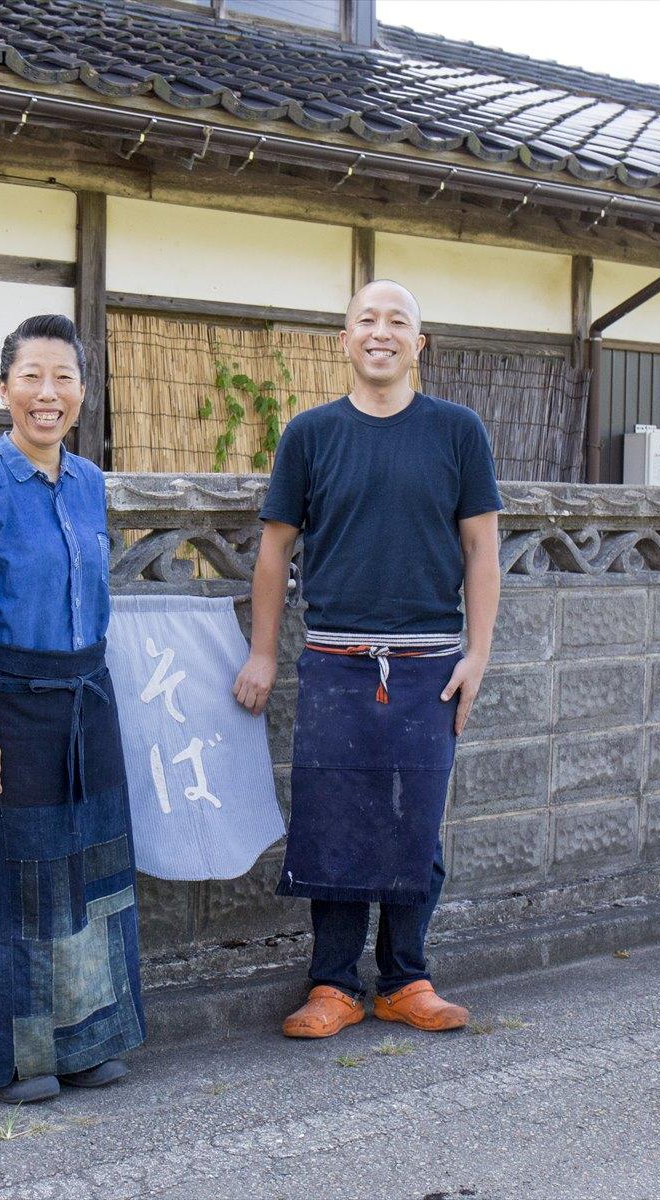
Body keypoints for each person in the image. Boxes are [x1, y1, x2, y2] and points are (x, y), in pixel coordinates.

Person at [233, 280, 503, 1039]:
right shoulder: (310, 434)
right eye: (366, 321)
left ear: (419, 345)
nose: (381, 333)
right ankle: (334, 984)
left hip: (430, 664)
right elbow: (274, 551)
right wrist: (262, 652)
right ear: (344, 341)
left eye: (398, 323)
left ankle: (406, 978)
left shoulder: (457, 431)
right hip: (334, 660)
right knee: (333, 823)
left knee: (418, 823)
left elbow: (482, 548)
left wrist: (477, 655)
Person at [0, 314, 145, 1103]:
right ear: (4, 389)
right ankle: (17, 1060)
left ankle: (89, 1043)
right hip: (10, 706)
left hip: (88, 701)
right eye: (32, 377)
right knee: (15, 885)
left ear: (83, 392)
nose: (47, 394)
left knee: (87, 874)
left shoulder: (89, 485)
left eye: (64, 378)